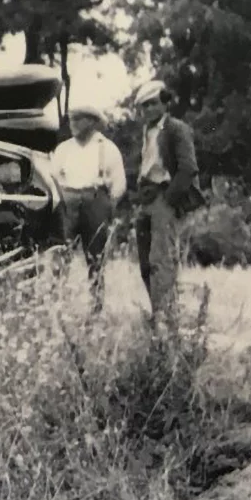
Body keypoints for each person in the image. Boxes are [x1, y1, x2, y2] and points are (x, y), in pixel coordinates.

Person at [129, 80, 205, 326]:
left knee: (161, 258)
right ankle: (158, 312)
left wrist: (170, 200)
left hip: (164, 195)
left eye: (153, 104)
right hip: (147, 196)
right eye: (144, 106)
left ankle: (166, 317)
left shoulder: (176, 128)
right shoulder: (147, 131)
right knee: (145, 261)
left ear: (164, 103)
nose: (148, 110)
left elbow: (188, 168)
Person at [50, 104, 127, 311]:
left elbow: (119, 183)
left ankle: (96, 309)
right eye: (71, 120)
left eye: (78, 119)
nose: (73, 124)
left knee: (96, 258)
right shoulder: (63, 149)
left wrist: (106, 206)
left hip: (95, 200)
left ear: (91, 122)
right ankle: (57, 307)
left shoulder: (107, 148)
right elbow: (53, 177)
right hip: (68, 201)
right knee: (60, 255)